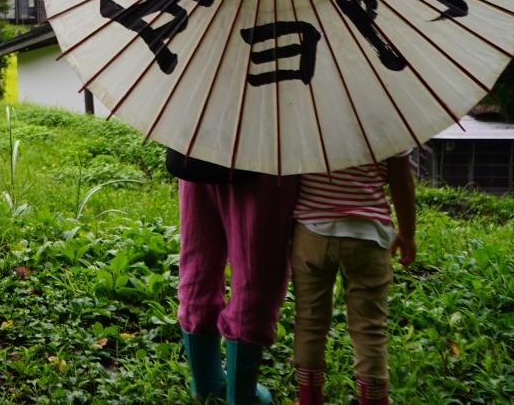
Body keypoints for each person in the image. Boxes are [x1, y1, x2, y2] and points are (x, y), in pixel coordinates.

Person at [170, 150, 301, 404]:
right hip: (264, 165)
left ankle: (205, 382)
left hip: (196, 151)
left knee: (198, 263)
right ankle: (241, 395)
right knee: (256, 275)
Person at [289, 156, 417, 405]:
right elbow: (402, 182)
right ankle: (374, 399)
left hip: (311, 232)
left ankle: (309, 398)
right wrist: (407, 234)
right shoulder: (386, 121)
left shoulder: (307, 122)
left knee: (309, 321)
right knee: (369, 327)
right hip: (368, 236)